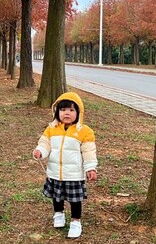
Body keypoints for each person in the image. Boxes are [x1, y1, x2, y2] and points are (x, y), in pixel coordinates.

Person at [33, 92, 98, 239]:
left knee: (75, 200)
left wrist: (91, 168)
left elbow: (89, 151)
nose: (66, 113)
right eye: (62, 110)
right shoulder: (51, 128)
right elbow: (45, 144)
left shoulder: (85, 131)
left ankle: (76, 221)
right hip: (55, 172)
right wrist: (40, 152)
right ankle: (58, 214)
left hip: (74, 174)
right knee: (57, 197)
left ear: (78, 112)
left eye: (71, 110)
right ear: (57, 112)